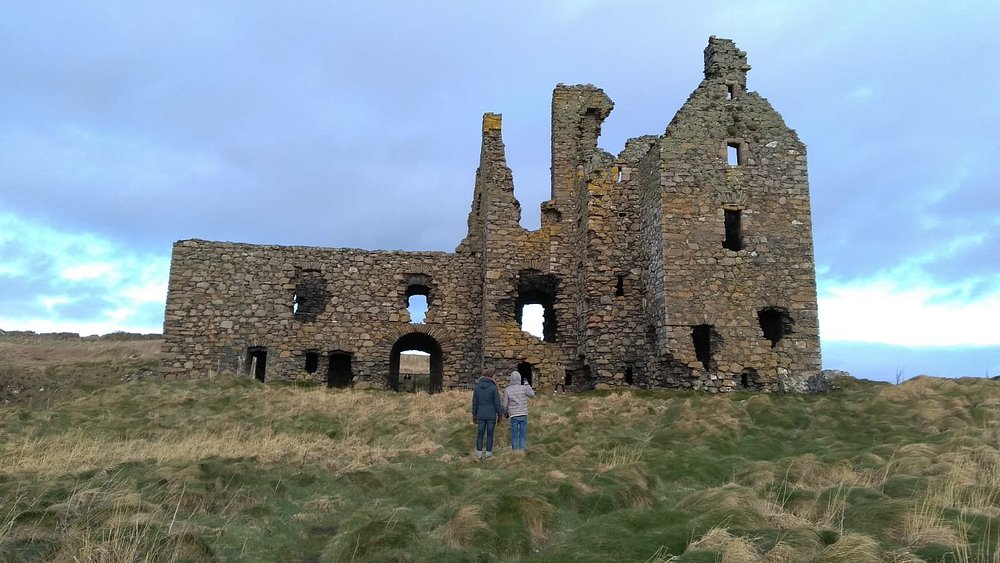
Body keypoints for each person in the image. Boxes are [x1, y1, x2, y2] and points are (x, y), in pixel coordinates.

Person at [471, 370, 503, 461]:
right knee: (490, 434)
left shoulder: (477, 388)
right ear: (490, 376)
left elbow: (475, 403)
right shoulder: (493, 387)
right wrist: (499, 415)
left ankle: (479, 454)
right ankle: (488, 454)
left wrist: (474, 415)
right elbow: (497, 403)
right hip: (491, 415)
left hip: (480, 414)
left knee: (480, 434)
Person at [503, 370, 535, 451]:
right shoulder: (524, 388)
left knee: (514, 435)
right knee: (522, 434)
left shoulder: (507, 389)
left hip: (513, 415)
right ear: (519, 378)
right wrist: (527, 384)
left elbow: (505, 404)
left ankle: (515, 452)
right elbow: (532, 394)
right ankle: (522, 450)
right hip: (523, 413)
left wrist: (506, 413)